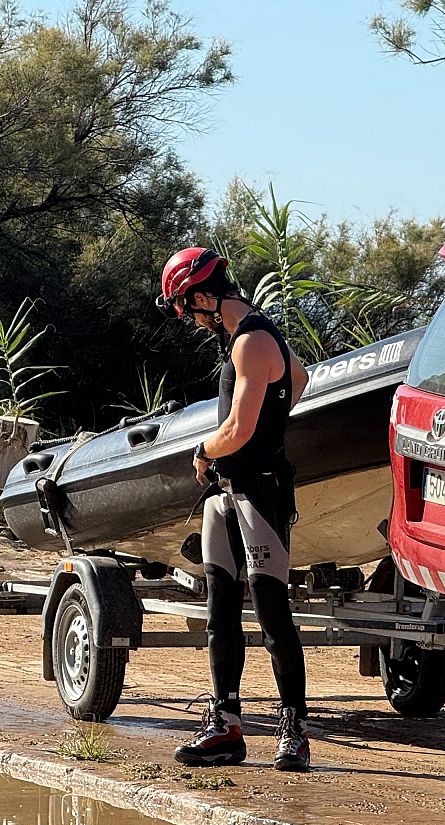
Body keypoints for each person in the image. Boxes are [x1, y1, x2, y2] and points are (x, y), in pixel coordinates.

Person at [154, 247, 313, 772]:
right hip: (226, 494)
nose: (190, 319)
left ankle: (294, 728)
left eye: (187, 308)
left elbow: (237, 430)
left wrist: (203, 450)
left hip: (258, 494)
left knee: (272, 614)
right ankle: (225, 726)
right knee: (220, 614)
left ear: (204, 295)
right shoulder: (258, 342)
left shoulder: (252, 341)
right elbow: (300, 376)